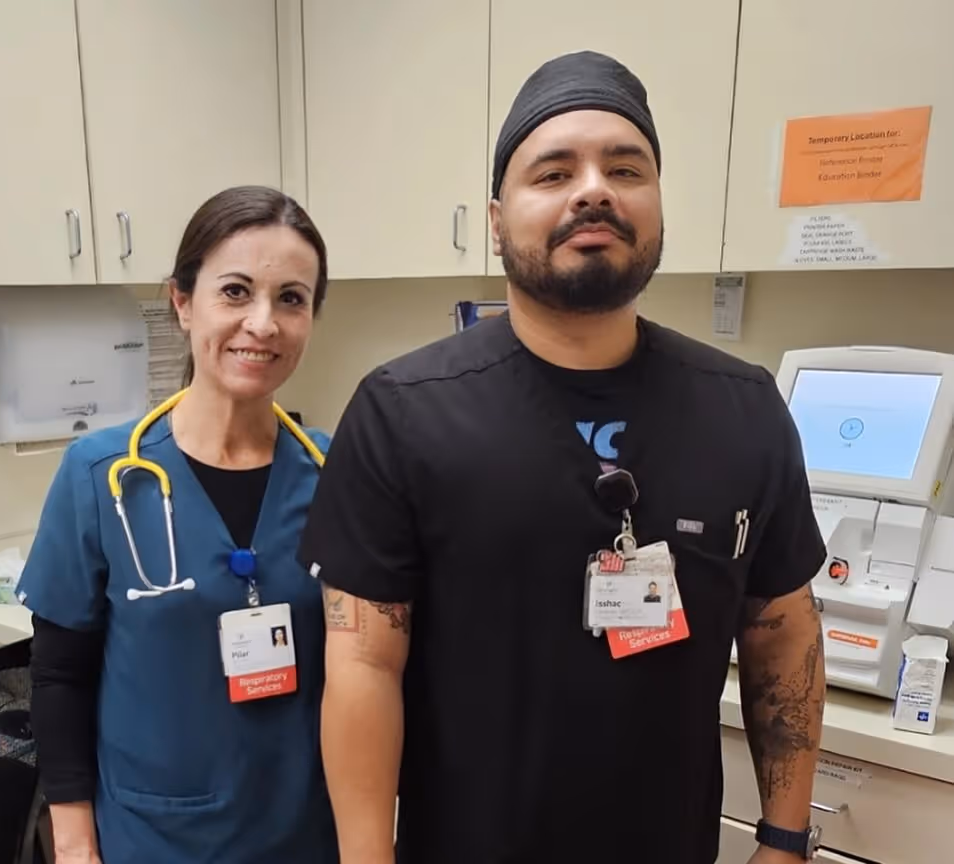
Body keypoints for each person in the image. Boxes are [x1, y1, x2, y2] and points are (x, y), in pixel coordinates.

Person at [300, 51, 827, 863]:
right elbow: (366, 663)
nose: (594, 189)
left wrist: (786, 839)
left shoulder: (744, 407)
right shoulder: (402, 413)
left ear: (658, 205)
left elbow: (782, 630)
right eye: (553, 172)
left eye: (626, 167)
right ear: (496, 218)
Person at [19, 185, 339, 864]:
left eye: (291, 298)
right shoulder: (102, 476)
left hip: (307, 833)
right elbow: (58, 677)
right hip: (155, 838)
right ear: (182, 302)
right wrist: (75, 844)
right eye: (235, 292)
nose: (263, 323)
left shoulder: (337, 471)